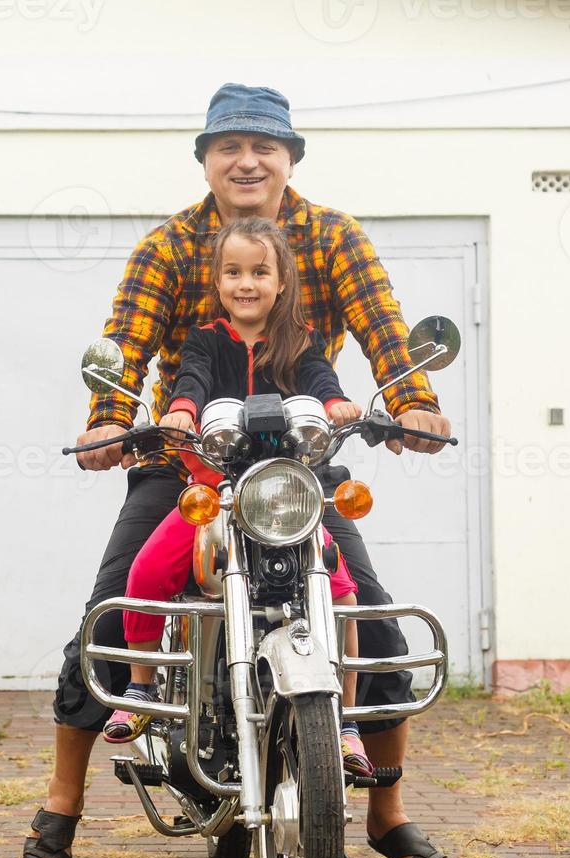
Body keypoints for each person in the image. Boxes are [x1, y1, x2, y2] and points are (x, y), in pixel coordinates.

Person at [22, 83, 457, 858]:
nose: (248, 160)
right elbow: (128, 340)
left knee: (370, 613)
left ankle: (387, 815)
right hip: (183, 466)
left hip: (296, 470)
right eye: (229, 146)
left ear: (290, 158)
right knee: (113, 607)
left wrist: (413, 405)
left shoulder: (334, 238)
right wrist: (108, 422)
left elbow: (382, 330)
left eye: (265, 146)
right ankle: (62, 803)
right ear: (206, 160)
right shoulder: (169, 246)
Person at [99, 215, 376, 780]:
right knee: (147, 570)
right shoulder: (205, 340)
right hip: (216, 491)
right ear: (218, 282)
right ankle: (140, 685)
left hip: (285, 498)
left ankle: (345, 725)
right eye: (232, 272)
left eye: (258, 272)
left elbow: (322, 379)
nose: (245, 283)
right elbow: (190, 380)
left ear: (281, 281)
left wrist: (338, 403)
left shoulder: (299, 342)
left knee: (344, 592)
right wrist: (181, 409)